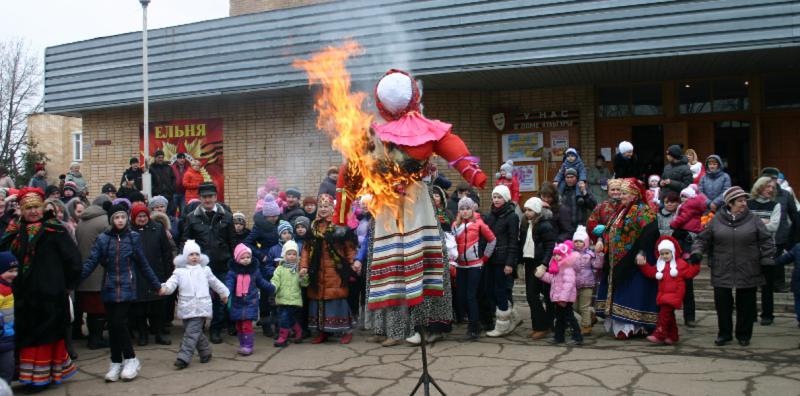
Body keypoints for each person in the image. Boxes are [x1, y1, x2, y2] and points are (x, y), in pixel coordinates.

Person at [0, 188, 81, 392]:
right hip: (22, 294)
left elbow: (73, 259)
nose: (34, 212)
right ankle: (29, 376)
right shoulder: (14, 231)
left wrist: (67, 285)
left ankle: (41, 378)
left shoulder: (55, 228)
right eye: (29, 208)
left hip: (50, 293)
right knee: (26, 334)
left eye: (36, 207)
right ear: (21, 210)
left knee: (46, 335)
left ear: (42, 207)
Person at [80, 201, 162, 382]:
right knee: (114, 326)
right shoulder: (103, 239)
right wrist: (74, 279)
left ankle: (132, 359)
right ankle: (116, 362)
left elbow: (143, 263)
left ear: (127, 218)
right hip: (109, 287)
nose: (120, 220)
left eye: (123, 217)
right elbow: (92, 261)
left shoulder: (133, 237)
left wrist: (156, 285)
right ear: (111, 220)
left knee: (119, 323)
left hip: (126, 287)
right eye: (116, 217)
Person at [691, 186, 775, 346]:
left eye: (745, 200)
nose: (744, 203)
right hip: (722, 267)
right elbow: (702, 239)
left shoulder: (753, 219)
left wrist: (767, 258)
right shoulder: (716, 219)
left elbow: (766, 240)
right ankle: (724, 334)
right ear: (730, 203)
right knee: (723, 304)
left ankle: (743, 334)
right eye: (740, 201)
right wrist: (697, 252)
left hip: (748, 267)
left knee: (746, 304)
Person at [595, 178, 660, 339]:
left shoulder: (643, 210)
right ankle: (623, 326)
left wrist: (642, 252)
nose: (621, 196)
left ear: (634, 194)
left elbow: (650, 233)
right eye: (621, 193)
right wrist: (601, 240)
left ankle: (635, 326)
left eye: (625, 193)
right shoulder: (621, 211)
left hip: (633, 261)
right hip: (615, 260)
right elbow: (609, 229)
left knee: (632, 292)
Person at [160, 240, 230, 369]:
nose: (194, 257)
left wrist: (224, 293)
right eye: (191, 254)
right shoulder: (179, 271)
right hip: (186, 306)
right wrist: (164, 288)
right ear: (185, 256)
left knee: (191, 333)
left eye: (197, 254)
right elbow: (171, 283)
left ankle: (183, 357)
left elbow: (215, 283)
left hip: (202, 306)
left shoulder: (205, 270)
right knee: (194, 332)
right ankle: (206, 352)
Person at [180, 182, 235, 344]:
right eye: (204, 197)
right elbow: (185, 241)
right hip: (200, 266)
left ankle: (216, 328)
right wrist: (184, 262)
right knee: (200, 297)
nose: (208, 200)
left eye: (210, 196)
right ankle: (198, 328)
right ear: (200, 198)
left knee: (221, 297)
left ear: (216, 197)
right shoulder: (191, 218)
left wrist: (234, 260)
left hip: (222, 263)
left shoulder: (227, 216)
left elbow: (232, 241)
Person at [300, 194, 358, 344]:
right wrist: (304, 266)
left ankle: (347, 331)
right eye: (321, 207)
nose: (323, 209)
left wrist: (354, 262)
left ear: (332, 208)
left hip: (336, 270)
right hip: (316, 270)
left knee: (337, 298)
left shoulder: (340, 226)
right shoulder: (313, 227)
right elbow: (306, 249)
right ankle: (322, 332)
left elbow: (349, 247)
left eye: (326, 206)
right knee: (318, 300)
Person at [637, 236, 700, 345]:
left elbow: (690, 273)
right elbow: (651, 273)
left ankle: (659, 335)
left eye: (667, 253)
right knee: (670, 317)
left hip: (674, 295)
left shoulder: (680, 264)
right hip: (663, 294)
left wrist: (696, 263)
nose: (665, 256)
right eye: (662, 254)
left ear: (673, 252)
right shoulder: (660, 265)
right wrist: (643, 265)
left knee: (664, 316)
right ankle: (673, 336)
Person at [129, 203, 173, 346]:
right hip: (138, 274)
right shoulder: (129, 231)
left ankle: (159, 334)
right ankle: (143, 335)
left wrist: (168, 272)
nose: (142, 219)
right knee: (140, 308)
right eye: (139, 216)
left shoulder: (157, 228)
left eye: (144, 216)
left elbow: (166, 251)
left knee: (157, 307)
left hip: (156, 272)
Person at [453, 197, 496, 341]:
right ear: (459, 211)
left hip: (475, 266)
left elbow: (492, 240)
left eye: (467, 208)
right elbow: (451, 244)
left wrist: (485, 258)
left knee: (471, 296)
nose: (465, 212)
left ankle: (474, 328)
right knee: (461, 297)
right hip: (460, 266)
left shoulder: (479, 224)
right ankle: (472, 323)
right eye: (462, 209)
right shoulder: (455, 225)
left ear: (472, 209)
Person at [75, 195, 112, 350]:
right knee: (98, 310)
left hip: (85, 272)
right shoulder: (104, 221)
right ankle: (95, 340)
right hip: (99, 272)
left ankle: (93, 337)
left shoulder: (83, 220)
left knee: (91, 309)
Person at [483, 185, 521, 337]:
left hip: (503, 260)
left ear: (506, 198)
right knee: (491, 291)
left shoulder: (512, 216)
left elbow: (513, 241)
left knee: (501, 291)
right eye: (494, 197)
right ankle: (510, 316)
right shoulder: (490, 215)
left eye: (499, 197)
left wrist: (510, 263)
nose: (496, 200)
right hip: (490, 259)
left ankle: (503, 325)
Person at [518, 197, 557, 339]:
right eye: (526, 210)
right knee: (532, 295)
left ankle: (542, 326)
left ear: (537, 211)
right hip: (529, 262)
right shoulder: (525, 223)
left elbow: (550, 246)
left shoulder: (544, 225)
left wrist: (544, 264)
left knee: (533, 295)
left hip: (539, 263)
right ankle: (541, 325)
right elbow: (522, 243)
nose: (527, 213)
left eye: (530, 210)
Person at [225, 243, 275, 354]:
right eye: (242, 258)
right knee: (239, 326)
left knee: (247, 325)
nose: (246, 260)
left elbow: (261, 282)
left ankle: (248, 346)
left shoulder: (254, 271)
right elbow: (229, 284)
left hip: (250, 302)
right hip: (237, 302)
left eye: (248, 257)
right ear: (237, 258)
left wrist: (271, 288)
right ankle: (242, 344)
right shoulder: (233, 272)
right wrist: (226, 293)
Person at [747, 176, 781, 326]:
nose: (771, 190)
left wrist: (755, 223)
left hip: (767, 249)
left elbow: (774, 226)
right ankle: (751, 314)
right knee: (749, 285)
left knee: (767, 285)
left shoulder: (775, 205)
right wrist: (762, 222)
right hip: (749, 249)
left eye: (773, 188)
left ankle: (767, 315)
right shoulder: (748, 204)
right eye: (768, 187)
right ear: (760, 187)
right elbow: (744, 224)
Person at [535, 242, 583, 345]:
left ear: (565, 255)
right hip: (559, 299)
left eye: (559, 254)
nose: (556, 257)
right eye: (555, 254)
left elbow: (568, 285)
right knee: (560, 318)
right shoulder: (558, 268)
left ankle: (577, 337)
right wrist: (542, 275)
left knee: (569, 317)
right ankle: (559, 337)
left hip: (565, 299)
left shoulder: (567, 268)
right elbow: (553, 279)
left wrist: (563, 298)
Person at [761, 167, 800, 293]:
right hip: (762, 234)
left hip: (781, 232)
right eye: (769, 178)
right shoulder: (757, 195)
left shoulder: (785, 194)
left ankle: (779, 284)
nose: (771, 181)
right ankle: (763, 283)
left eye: (774, 178)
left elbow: (794, 214)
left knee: (778, 260)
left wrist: (794, 235)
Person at [269, 241, 308, 347]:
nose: (292, 256)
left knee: (284, 317)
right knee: (289, 319)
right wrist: (273, 287)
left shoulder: (298, 269)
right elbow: (275, 280)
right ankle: (299, 332)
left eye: (294, 254)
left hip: (293, 299)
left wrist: (303, 276)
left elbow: (304, 284)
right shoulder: (280, 269)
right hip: (282, 298)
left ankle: (283, 337)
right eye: (289, 254)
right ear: (284, 255)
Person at [571, 225, 603, 335]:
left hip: (587, 284)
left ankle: (586, 326)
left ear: (585, 242)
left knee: (584, 306)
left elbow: (598, 265)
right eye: (576, 241)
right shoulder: (571, 254)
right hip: (574, 284)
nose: (578, 243)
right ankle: (590, 317)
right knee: (575, 306)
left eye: (580, 241)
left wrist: (599, 254)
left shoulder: (590, 254)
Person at [556, 168, 596, 241]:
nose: (569, 179)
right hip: (564, 229)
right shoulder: (561, 191)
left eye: (572, 177)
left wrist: (584, 192)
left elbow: (593, 206)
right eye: (567, 177)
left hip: (580, 228)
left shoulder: (582, 189)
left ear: (576, 178)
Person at [0, 252, 18, 384]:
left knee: (8, 369)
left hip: (7, 337)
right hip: (3, 336)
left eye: (16, 270)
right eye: (10, 271)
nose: (14, 274)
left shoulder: (8, 288)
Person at [774, 243, 800, 328]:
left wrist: (774, 261)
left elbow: (784, 259)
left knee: (799, 300)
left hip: (798, 280)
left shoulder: (798, 247)